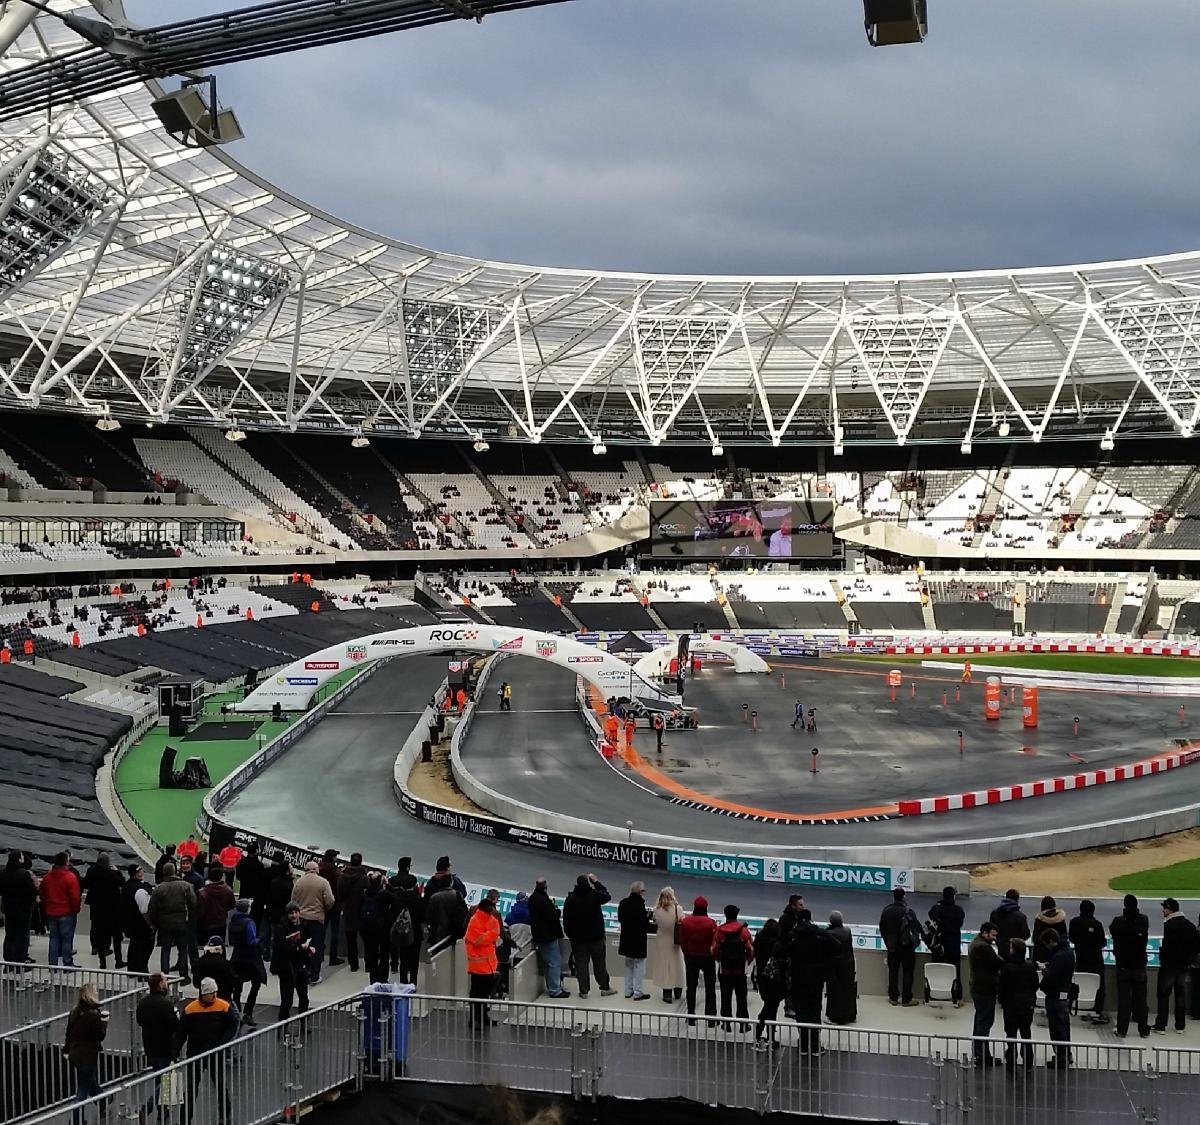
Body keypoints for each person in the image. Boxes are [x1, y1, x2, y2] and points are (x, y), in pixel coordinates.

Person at [176, 978, 237, 1124]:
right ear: (203, 994)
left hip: (211, 1053)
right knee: (191, 1089)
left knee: (220, 1085)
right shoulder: (191, 1009)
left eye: (215, 992)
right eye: (211, 993)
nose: (214, 995)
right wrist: (175, 1050)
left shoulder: (222, 1006)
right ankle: (185, 1118)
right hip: (197, 1054)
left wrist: (222, 1042)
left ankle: (225, 1113)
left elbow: (232, 1025)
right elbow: (181, 1033)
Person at [785, 908, 837, 1057]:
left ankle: (803, 1045)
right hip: (816, 979)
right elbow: (837, 946)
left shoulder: (793, 935)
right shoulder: (820, 933)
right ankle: (815, 1046)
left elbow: (782, 951)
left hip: (798, 978)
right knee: (814, 1011)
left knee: (801, 1011)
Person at [562, 873, 616, 999]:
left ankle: (584, 991)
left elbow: (566, 920)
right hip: (596, 938)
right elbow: (607, 895)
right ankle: (604, 987)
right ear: (588, 883)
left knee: (581, 965)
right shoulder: (594, 895)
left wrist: (571, 935)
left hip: (578, 940)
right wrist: (596, 882)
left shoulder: (571, 899)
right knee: (600, 963)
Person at [136, 972, 180, 1120]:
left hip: (150, 1046)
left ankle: (162, 1109)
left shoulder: (143, 1002)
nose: (167, 983)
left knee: (159, 1078)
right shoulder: (166, 1004)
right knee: (165, 1080)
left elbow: (139, 1021)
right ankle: (148, 1107)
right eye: (166, 981)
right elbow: (174, 1025)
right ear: (160, 984)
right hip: (165, 1047)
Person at [64, 982, 108, 1121]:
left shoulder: (75, 1012)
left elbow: (69, 1032)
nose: (97, 992)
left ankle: (103, 1100)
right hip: (87, 1055)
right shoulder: (93, 1015)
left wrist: (66, 1049)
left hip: (75, 1053)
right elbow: (99, 1036)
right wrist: (105, 1023)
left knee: (89, 1081)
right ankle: (76, 1119)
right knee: (82, 1091)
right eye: (95, 991)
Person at [1155, 898, 1200, 1034]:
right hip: (1183, 966)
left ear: (1170, 909)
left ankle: (1161, 1025)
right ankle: (1180, 1025)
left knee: (1163, 995)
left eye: (1165, 908)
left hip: (1169, 966)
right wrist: (1188, 959)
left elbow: (1168, 946)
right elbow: (1196, 945)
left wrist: (1163, 957)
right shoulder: (1189, 925)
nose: (1163, 910)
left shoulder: (1169, 925)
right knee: (1180, 995)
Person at [1110, 894, 1151, 1039]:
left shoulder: (1118, 922)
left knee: (1124, 1000)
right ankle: (1144, 1030)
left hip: (1123, 966)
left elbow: (1113, 931)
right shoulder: (1143, 920)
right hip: (1139, 966)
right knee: (1141, 1000)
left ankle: (1122, 1030)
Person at [148, 862, 197, 977]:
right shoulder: (185, 885)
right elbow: (193, 903)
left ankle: (164, 974)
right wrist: (190, 918)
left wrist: (156, 922)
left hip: (165, 923)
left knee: (165, 949)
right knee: (183, 948)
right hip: (181, 921)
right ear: (174, 871)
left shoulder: (159, 888)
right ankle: (183, 974)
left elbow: (152, 908)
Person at [997, 939, 1038, 1072]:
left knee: (1011, 1035)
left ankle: (1011, 1063)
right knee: (1026, 1033)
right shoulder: (1031, 966)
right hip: (1027, 1005)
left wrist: (1003, 1001)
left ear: (1013, 950)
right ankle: (1028, 1063)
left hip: (1011, 1006)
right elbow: (1035, 985)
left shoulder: (1008, 968)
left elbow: (1002, 988)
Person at [712, 904, 754, 1030]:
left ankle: (726, 1023)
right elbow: (751, 950)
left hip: (725, 970)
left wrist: (719, 960)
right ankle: (743, 1024)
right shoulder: (744, 932)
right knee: (742, 998)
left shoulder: (720, 932)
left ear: (725, 915)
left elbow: (714, 950)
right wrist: (747, 961)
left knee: (726, 997)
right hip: (740, 971)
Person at [292, 860, 335, 984]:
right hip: (317, 919)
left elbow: (293, 900)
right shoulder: (323, 882)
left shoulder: (299, 882)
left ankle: (303, 971)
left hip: (302, 919)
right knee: (316, 948)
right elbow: (330, 900)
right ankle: (315, 975)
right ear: (316, 869)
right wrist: (323, 910)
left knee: (302, 947)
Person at [968, 921, 1003, 1067]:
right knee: (985, 1022)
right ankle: (982, 1055)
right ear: (985, 933)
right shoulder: (983, 948)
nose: (994, 938)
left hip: (978, 988)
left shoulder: (975, 944)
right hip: (985, 989)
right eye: (993, 935)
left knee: (980, 1020)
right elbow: (998, 963)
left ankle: (979, 1053)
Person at [272, 902, 314, 1022]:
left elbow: (307, 939)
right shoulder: (281, 928)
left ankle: (304, 1022)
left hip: (300, 966)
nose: (294, 915)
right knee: (287, 999)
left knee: (304, 997)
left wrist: (309, 947)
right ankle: (283, 1025)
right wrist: (301, 948)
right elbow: (283, 948)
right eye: (291, 913)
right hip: (287, 968)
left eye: (296, 912)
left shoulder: (303, 925)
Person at [529, 877, 570, 999]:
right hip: (547, 935)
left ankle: (552, 986)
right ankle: (555, 989)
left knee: (548, 963)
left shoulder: (532, 898)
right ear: (545, 886)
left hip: (539, 935)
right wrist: (557, 912)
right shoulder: (542, 900)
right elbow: (551, 915)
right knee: (554, 962)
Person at [82, 853, 125, 969]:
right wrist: (117, 871)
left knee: (97, 932)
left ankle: (102, 962)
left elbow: (85, 883)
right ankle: (118, 960)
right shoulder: (111, 873)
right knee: (116, 936)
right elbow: (122, 881)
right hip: (112, 909)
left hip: (97, 908)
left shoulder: (91, 871)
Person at [679, 895, 718, 1023]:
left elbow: (683, 941)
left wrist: (687, 953)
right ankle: (711, 1018)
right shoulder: (711, 923)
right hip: (707, 957)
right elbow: (715, 942)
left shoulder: (686, 922)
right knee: (710, 987)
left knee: (691, 987)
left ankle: (690, 1016)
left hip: (691, 957)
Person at [228, 898, 267, 1026]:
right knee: (256, 984)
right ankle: (248, 1013)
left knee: (237, 987)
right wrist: (260, 939)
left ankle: (237, 1011)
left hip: (237, 957)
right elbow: (251, 941)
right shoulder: (249, 923)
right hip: (251, 958)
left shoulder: (232, 921)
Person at [1068, 900, 1108, 1022]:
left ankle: (1080, 1007)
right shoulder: (1097, 924)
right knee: (1099, 985)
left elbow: (1072, 938)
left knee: (1081, 983)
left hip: (1081, 958)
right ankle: (1097, 1009)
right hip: (1096, 959)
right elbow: (1103, 942)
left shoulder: (1074, 922)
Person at [40, 850, 82, 967]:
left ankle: (52, 963)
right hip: (67, 913)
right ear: (66, 862)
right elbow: (75, 896)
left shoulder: (47, 877)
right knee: (67, 939)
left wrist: (47, 905)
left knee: (53, 938)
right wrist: (75, 909)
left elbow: (42, 893)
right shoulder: (70, 877)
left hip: (51, 912)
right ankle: (67, 963)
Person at [464, 897, 501, 1028]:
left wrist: (489, 935)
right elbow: (479, 940)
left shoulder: (491, 920)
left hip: (489, 964)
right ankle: (474, 1019)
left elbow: (495, 933)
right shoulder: (475, 921)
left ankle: (483, 1017)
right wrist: (490, 935)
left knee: (484, 994)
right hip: (478, 965)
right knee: (476, 993)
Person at [879, 888, 919, 1007]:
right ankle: (906, 999)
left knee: (893, 972)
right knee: (907, 972)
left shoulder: (886, 911)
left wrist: (887, 941)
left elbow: (882, 928)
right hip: (906, 947)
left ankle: (893, 997)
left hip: (892, 947)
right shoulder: (908, 911)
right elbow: (916, 927)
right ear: (904, 897)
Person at [1040, 931, 1075, 1068]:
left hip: (1055, 995)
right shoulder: (1068, 953)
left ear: (1050, 941)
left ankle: (1061, 1058)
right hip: (1064, 993)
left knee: (1057, 1028)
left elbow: (1052, 978)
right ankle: (1066, 1054)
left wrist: (1045, 971)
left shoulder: (1059, 956)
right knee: (1064, 1026)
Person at [357, 870, 397, 983]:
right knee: (384, 954)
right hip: (382, 928)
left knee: (371, 953)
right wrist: (388, 884)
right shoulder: (384, 894)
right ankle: (383, 978)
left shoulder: (364, 893)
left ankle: (373, 978)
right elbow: (396, 898)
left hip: (367, 928)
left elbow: (359, 909)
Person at [926, 886, 965, 1004]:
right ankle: (958, 997)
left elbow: (931, 914)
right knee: (956, 972)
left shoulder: (937, 908)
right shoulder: (958, 910)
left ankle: (934, 995)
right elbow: (960, 923)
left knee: (936, 970)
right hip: (953, 945)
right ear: (953, 896)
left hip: (939, 945)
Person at [617, 881, 654, 1000]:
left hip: (626, 939)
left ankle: (628, 991)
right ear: (640, 892)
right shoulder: (639, 905)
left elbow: (620, 919)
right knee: (639, 967)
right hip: (638, 941)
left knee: (628, 966)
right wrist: (647, 917)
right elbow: (643, 925)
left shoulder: (623, 903)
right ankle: (638, 992)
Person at [752, 918, 787, 1044]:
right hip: (775, 979)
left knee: (769, 1005)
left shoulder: (759, 941)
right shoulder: (777, 944)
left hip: (763, 977)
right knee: (772, 1007)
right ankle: (767, 1034)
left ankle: (764, 1033)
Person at [649, 887, 685, 1003]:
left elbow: (654, 922)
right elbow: (682, 921)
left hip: (662, 940)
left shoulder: (657, 910)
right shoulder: (678, 909)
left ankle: (667, 993)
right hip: (675, 941)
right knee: (677, 965)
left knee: (665, 966)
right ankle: (678, 990)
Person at [0, 848, 36, 963]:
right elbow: (32, 891)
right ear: (20, 859)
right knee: (22, 935)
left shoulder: (3, 872)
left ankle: (8, 959)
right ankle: (20, 960)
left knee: (10, 934)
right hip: (23, 909)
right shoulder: (24, 874)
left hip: (8, 908)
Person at [388, 873, 423, 984]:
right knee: (414, 959)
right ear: (414, 885)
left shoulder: (397, 899)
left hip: (402, 932)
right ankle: (413, 981)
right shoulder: (418, 900)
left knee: (403, 958)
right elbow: (423, 917)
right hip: (416, 932)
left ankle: (403, 981)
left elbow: (392, 915)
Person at [337, 852, 370, 973]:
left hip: (348, 910)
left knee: (351, 939)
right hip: (362, 911)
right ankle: (369, 964)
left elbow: (339, 892)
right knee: (367, 939)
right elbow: (368, 894)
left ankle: (353, 964)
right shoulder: (364, 878)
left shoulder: (342, 877)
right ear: (361, 862)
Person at [825, 911, 857, 1025]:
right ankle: (850, 1014)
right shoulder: (848, 931)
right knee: (848, 990)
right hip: (848, 964)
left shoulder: (829, 933)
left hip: (835, 967)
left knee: (835, 992)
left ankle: (835, 1017)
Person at [121, 864, 154, 974]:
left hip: (130, 922)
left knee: (134, 946)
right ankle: (142, 971)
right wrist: (151, 925)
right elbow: (144, 911)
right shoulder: (140, 890)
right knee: (144, 948)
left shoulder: (126, 886)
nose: (142, 872)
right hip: (141, 924)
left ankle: (132, 969)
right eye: (139, 871)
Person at [317, 849, 344, 968]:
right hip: (334, 905)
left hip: (321, 904)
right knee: (334, 932)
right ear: (333, 858)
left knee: (321, 931)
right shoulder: (335, 872)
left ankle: (320, 954)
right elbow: (340, 887)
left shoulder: (319, 868)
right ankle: (333, 957)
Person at [192, 937, 238, 1003]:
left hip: (204, 1001)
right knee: (235, 1012)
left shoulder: (198, 963)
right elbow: (234, 982)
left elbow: (196, 984)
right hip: (223, 1001)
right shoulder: (225, 964)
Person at [196, 867, 235, 945]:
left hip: (207, 923)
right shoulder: (228, 890)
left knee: (207, 947)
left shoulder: (203, 892)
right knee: (220, 946)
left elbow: (200, 910)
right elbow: (231, 905)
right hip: (221, 922)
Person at [234, 843, 269, 927]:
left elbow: (238, 877)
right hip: (256, 896)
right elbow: (263, 880)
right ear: (256, 851)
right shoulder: (259, 865)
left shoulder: (241, 862)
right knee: (254, 919)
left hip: (244, 893)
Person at [426, 880, 468, 949]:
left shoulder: (434, 897)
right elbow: (464, 912)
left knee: (436, 954)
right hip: (453, 932)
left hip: (437, 932)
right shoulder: (457, 895)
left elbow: (429, 916)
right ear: (451, 884)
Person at [1032, 895, 1068, 963]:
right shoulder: (1061, 920)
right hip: (1058, 954)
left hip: (1041, 955)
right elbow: (1065, 936)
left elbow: (1035, 939)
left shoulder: (1039, 921)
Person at [265, 857, 294, 933]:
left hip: (273, 913)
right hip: (282, 914)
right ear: (287, 871)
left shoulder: (275, 881)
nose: (292, 869)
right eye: (291, 867)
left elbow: (269, 898)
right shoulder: (289, 884)